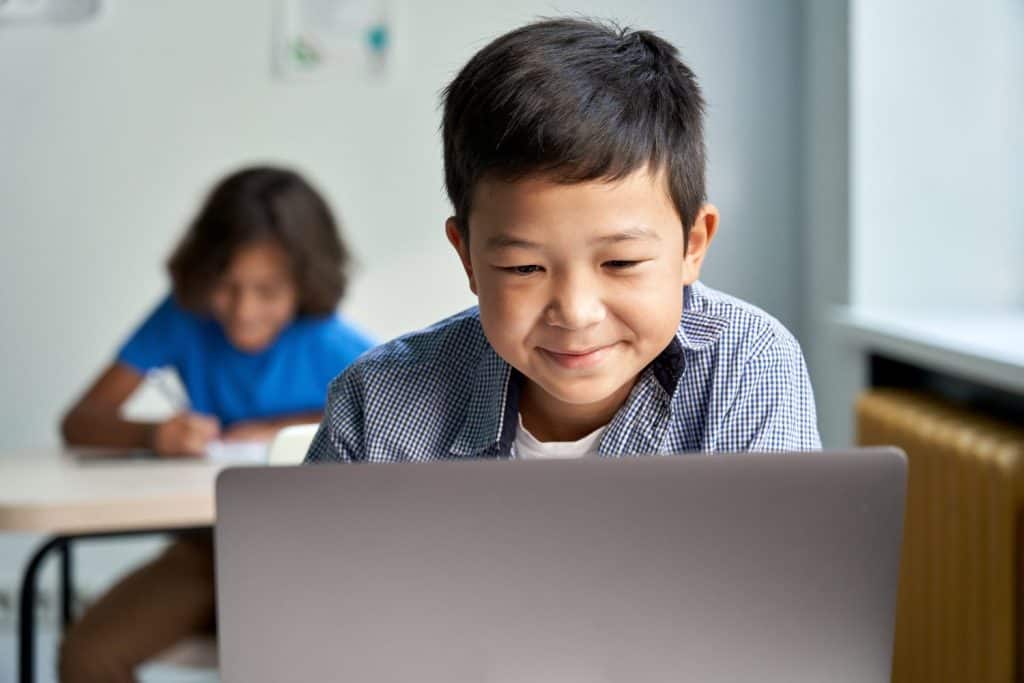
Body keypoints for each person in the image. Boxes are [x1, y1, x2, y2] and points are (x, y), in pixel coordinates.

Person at [306, 18, 819, 466]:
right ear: (467, 256)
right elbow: (313, 575)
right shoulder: (377, 402)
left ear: (692, 246)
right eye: (524, 268)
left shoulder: (748, 363)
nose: (575, 313)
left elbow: (781, 574)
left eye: (620, 262)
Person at [59, 165, 374, 682]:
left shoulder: (330, 341)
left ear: (305, 283)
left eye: (268, 291)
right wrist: (153, 435)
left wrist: (281, 427)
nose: (244, 310)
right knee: (89, 652)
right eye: (226, 288)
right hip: (206, 551)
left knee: (296, 661)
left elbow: (406, 415)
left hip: (313, 558)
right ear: (202, 275)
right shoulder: (184, 318)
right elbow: (80, 421)